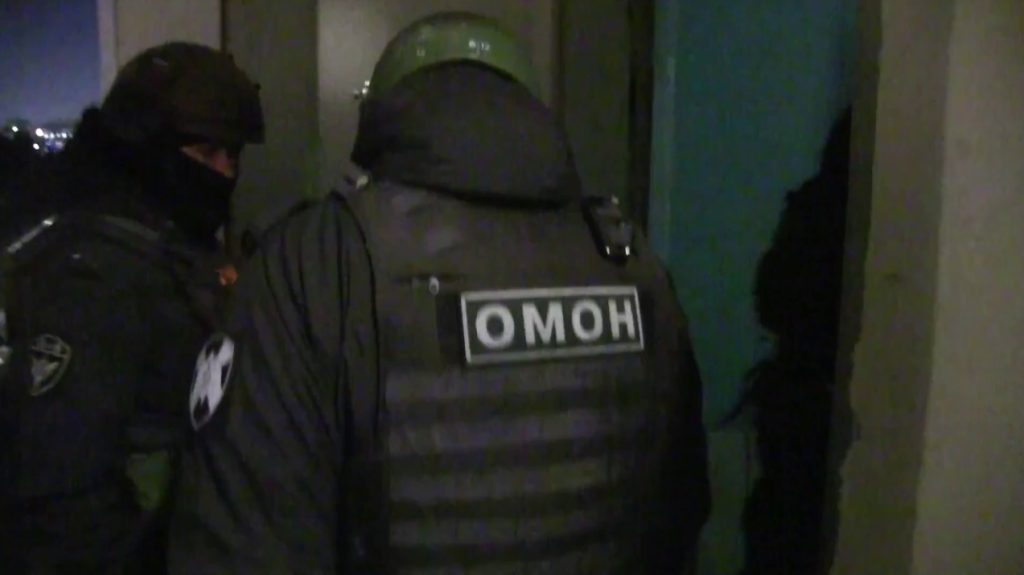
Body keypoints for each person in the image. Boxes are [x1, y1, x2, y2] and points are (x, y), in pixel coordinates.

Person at [169, 12, 709, 574]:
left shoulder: (314, 263)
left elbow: (242, 540)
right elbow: (680, 515)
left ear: (384, 114)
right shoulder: (629, 258)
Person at [0, 41, 263, 573]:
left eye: (232, 156)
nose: (223, 172)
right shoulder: (91, 277)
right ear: (148, 147)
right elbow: (61, 504)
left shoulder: (172, 247)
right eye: (206, 153)